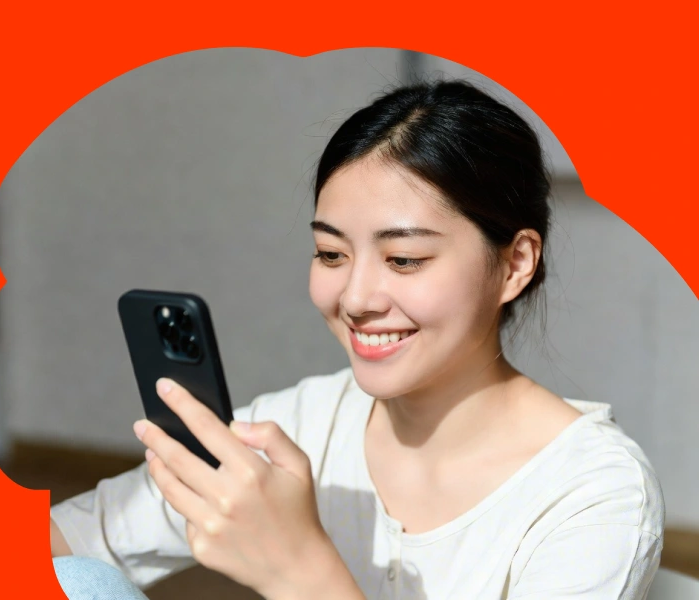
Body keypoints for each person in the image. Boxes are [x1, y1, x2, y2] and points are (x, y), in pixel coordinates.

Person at [48, 80, 665, 599]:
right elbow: (73, 538)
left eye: (404, 259)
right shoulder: (302, 427)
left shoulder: (594, 494)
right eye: (330, 253)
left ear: (515, 264)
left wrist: (299, 570)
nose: (355, 298)